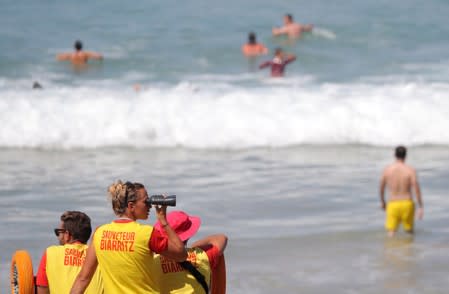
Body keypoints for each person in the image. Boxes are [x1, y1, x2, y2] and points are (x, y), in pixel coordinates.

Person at [70, 180, 187, 294]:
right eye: (146, 201)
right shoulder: (147, 233)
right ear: (131, 206)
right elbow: (181, 255)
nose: (150, 206)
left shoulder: (99, 233)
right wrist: (163, 220)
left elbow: (83, 279)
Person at [153, 210, 228, 293]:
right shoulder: (202, 256)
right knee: (218, 257)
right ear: (188, 236)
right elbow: (221, 238)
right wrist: (193, 248)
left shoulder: (151, 261)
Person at [35, 211, 103, 294]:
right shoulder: (100, 256)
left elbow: (42, 290)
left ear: (67, 235)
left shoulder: (50, 253)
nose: (58, 236)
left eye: (58, 232)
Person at [380, 146, 424, 237]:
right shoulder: (410, 170)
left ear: (395, 155)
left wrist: (383, 201)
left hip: (393, 203)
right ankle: (410, 250)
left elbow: (382, 187)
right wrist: (420, 206)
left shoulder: (387, 170)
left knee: (391, 233)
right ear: (405, 156)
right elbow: (416, 187)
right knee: (409, 232)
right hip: (407, 203)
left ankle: (390, 250)